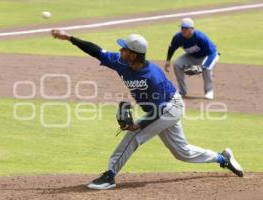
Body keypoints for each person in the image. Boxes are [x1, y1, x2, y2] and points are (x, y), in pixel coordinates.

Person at [51, 30, 243, 190]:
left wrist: (138, 124)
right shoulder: (120, 62)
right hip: (159, 109)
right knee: (182, 152)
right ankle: (222, 158)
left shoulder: (153, 76)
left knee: (134, 136)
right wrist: (70, 38)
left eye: (124, 48)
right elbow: (97, 51)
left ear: (133, 54)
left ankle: (109, 175)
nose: (120, 49)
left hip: (169, 107)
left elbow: (159, 111)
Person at [164, 18, 219, 99]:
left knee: (206, 68)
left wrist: (202, 68)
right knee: (177, 64)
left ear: (192, 29)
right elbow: (172, 48)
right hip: (192, 56)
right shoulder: (178, 38)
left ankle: (209, 91)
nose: (183, 30)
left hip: (209, 55)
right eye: (182, 28)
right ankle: (182, 91)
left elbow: (212, 53)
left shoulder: (200, 37)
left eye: (186, 28)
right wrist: (168, 61)